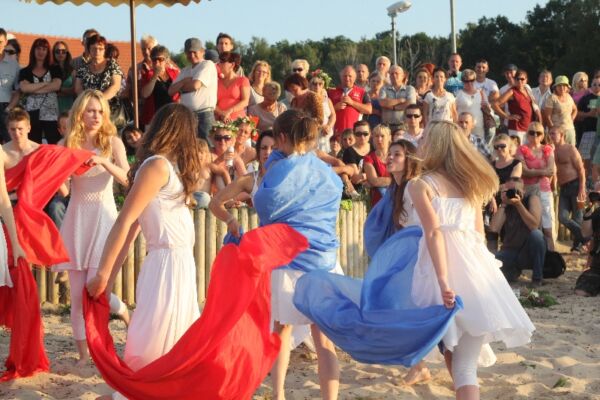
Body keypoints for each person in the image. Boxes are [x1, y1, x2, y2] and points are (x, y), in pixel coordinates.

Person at [213, 109, 342, 400]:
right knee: (324, 341)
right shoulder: (322, 169)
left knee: (281, 332)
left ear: (282, 137)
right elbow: (332, 200)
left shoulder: (278, 172)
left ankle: (279, 394)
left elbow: (266, 206)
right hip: (323, 260)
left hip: (288, 262)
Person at [85, 102, 202, 400]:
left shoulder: (169, 168)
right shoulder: (157, 167)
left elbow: (131, 231)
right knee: (152, 339)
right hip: (165, 265)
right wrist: (104, 275)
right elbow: (125, 223)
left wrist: (108, 278)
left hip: (180, 264)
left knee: (178, 340)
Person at [54, 90, 130, 367]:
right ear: (80, 113)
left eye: (100, 111)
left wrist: (104, 162)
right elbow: (59, 184)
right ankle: (84, 356)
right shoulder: (66, 143)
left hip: (104, 218)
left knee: (96, 290)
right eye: (91, 111)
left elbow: (127, 179)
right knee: (77, 297)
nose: (96, 116)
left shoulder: (113, 142)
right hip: (77, 219)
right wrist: (60, 177)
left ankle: (121, 314)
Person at [490, 177, 546, 287]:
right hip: (510, 251)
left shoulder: (532, 198)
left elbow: (534, 225)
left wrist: (518, 204)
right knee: (489, 260)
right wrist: (504, 204)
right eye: (508, 191)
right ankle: (512, 272)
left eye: (515, 190)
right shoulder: (506, 205)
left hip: (529, 251)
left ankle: (537, 278)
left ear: (523, 191)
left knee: (537, 235)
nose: (512, 193)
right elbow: (494, 229)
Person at [168, 38, 217, 140]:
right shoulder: (185, 71)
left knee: (207, 145)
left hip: (204, 115)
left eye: (195, 52)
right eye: (189, 53)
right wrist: (184, 81)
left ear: (202, 51)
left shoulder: (207, 64)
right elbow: (171, 91)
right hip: (188, 116)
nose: (192, 55)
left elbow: (195, 85)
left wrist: (180, 87)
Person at [517, 121, 555, 251]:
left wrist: (532, 171)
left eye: (538, 133)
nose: (535, 135)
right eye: (531, 132)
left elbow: (551, 171)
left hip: (544, 190)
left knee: (548, 229)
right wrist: (542, 172)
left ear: (543, 135)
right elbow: (524, 171)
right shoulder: (522, 149)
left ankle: (551, 257)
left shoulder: (547, 149)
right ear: (527, 134)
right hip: (527, 190)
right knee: (531, 228)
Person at [18, 38, 62, 145]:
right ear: (33, 50)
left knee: (54, 144)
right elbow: (24, 88)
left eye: (44, 49)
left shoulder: (55, 69)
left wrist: (33, 89)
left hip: (51, 114)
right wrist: (46, 83)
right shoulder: (25, 71)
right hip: (32, 114)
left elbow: (56, 86)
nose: (41, 52)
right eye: (38, 48)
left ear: (48, 52)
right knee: (33, 145)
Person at [551, 125, 587, 251]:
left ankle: (577, 247)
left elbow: (581, 169)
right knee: (562, 217)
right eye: (550, 133)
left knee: (578, 218)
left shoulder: (570, 149)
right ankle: (586, 238)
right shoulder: (552, 150)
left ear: (562, 135)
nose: (551, 136)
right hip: (563, 188)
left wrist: (582, 188)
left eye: (554, 133)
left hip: (575, 185)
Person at [493, 69, 539, 143]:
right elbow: (495, 104)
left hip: (529, 127)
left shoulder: (527, 90)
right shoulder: (512, 91)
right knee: (517, 149)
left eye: (522, 79)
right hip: (516, 128)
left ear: (526, 80)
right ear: (515, 80)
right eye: (517, 79)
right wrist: (506, 116)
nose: (520, 81)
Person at [139, 45, 180, 127]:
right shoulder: (147, 75)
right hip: (155, 117)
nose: (157, 62)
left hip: (173, 116)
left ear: (166, 60)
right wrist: (155, 75)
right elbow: (145, 94)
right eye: (154, 59)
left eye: (160, 59)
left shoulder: (175, 73)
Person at [328, 66, 372, 135]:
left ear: (355, 77)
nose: (347, 78)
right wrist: (335, 108)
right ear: (340, 77)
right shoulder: (332, 92)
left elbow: (369, 110)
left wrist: (352, 103)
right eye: (345, 76)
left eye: (350, 76)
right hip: (335, 133)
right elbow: (323, 111)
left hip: (354, 133)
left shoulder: (362, 92)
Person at [576, 188, 600, 296]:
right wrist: (588, 211)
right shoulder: (597, 213)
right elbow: (586, 233)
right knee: (581, 291)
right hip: (597, 266)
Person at [215, 51, 250, 123]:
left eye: (222, 62)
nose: (218, 64)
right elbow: (211, 103)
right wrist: (222, 113)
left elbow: (245, 101)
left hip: (238, 121)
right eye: (219, 62)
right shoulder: (216, 81)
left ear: (232, 65)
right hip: (219, 120)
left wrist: (229, 111)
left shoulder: (243, 80)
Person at [379, 65, 417, 131]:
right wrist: (400, 100)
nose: (394, 75)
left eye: (396, 73)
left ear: (402, 76)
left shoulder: (410, 89)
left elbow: (410, 104)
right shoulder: (384, 89)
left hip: (403, 126)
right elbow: (382, 103)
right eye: (392, 74)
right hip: (386, 126)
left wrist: (392, 106)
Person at [543, 75, 577, 145]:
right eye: (559, 85)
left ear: (567, 87)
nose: (562, 87)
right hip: (557, 132)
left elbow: (575, 109)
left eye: (564, 85)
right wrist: (553, 130)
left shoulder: (569, 96)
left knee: (570, 149)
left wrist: (572, 118)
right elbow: (547, 116)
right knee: (556, 150)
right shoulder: (552, 98)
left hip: (570, 129)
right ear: (555, 87)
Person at [363, 124, 391, 206]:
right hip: (379, 201)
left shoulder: (395, 156)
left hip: (397, 198)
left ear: (389, 137)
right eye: (376, 136)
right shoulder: (369, 158)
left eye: (382, 136)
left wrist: (382, 181)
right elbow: (374, 181)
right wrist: (396, 181)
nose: (379, 139)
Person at [308, 70, 336, 152]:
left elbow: (333, 115)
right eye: (314, 84)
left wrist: (328, 126)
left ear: (323, 85)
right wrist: (321, 127)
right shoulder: (307, 100)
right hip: (313, 134)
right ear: (310, 85)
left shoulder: (328, 100)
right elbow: (305, 116)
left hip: (327, 134)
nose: (317, 86)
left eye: (320, 84)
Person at [455, 69, 487, 139]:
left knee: (478, 145)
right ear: (462, 81)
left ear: (475, 80)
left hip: (478, 126)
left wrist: (487, 107)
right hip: (463, 127)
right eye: (466, 81)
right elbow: (453, 111)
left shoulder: (481, 93)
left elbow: (487, 109)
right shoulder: (458, 94)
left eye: (472, 80)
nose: (469, 83)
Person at [578, 76, 600, 179]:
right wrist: (588, 114)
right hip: (588, 131)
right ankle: (585, 179)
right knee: (585, 157)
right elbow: (577, 113)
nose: (597, 86)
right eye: (594, 84)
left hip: (598, 132)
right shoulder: (585, 98)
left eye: (599, 84)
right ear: (590, 86)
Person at [52, 41, 76, 114]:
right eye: (57, 51)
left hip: (68, 107)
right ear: (53, 53)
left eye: (63, 51)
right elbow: (48, 90)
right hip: (52, 107)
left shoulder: (72, 70)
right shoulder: (49, 70)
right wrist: (65, 91)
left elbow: (74, 90)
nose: (60, 53)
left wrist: (57, 89)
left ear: (67, 53)